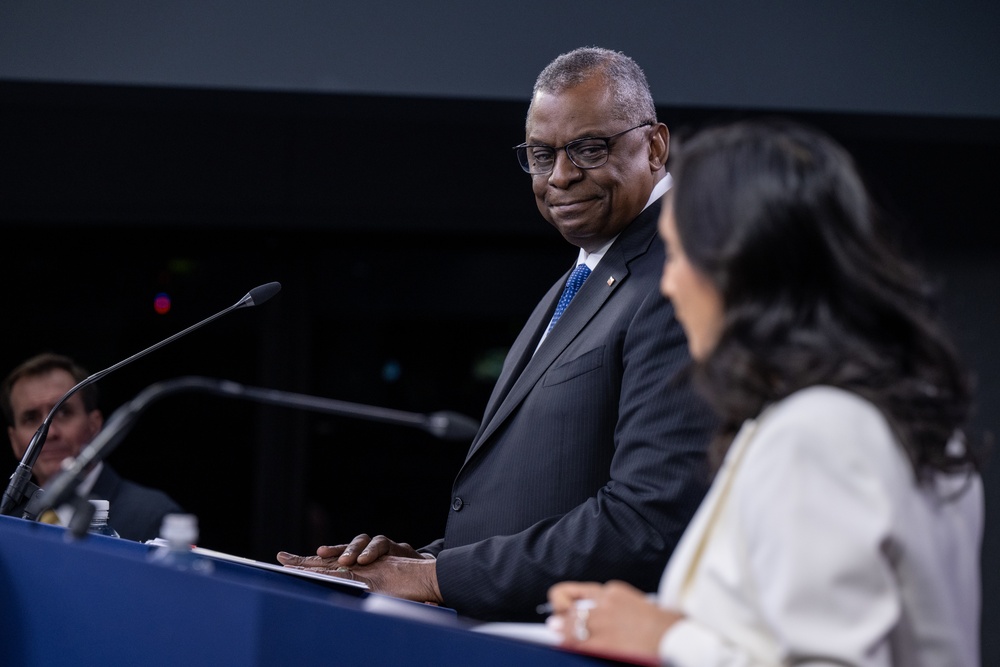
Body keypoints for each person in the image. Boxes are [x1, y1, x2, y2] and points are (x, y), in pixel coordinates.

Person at [276, 47, 715, 621]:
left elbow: (646, 521)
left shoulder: (677, 282)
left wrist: (436, 578)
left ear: (655, 146)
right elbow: (544, 496)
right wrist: (422, 564)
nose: (559, 175)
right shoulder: (584, 275)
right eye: (540, 155)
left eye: (588, 148)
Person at [545, 118, 984, 666]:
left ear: (741, 268)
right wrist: (665, 620)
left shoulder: (817, 431)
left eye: (678, 256)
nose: (667, 283)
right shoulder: (891, 418)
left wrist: (664, 640)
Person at [2, 352, 185, 542]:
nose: (51, 432)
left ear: (95, 426)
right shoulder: (8, 523)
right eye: (30, 418)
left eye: (64, 412)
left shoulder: (154, 517)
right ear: (14, 441)